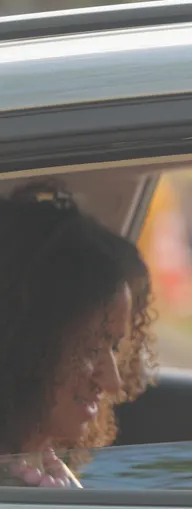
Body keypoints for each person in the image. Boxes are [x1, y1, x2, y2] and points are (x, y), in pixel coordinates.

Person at [0, 182, 157, 488]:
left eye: (112, 348)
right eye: (88, 350)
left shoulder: (36, 470)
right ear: (23, 344)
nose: (112, 382)